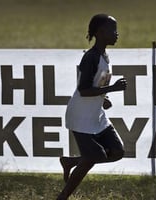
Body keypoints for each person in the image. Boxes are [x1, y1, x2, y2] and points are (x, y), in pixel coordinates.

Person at [57, 14, 127, 200]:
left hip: (96, 114)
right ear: (100, 32)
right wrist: (112, 88)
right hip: (80, 116)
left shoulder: (104, 55)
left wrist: (104, 97)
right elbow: (84, 90)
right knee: (93, 157)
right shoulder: (91, 57)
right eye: (113, 30)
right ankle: (62, 196)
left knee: (117, 151)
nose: (117, 34)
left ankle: (71, 161)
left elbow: (96, 84)